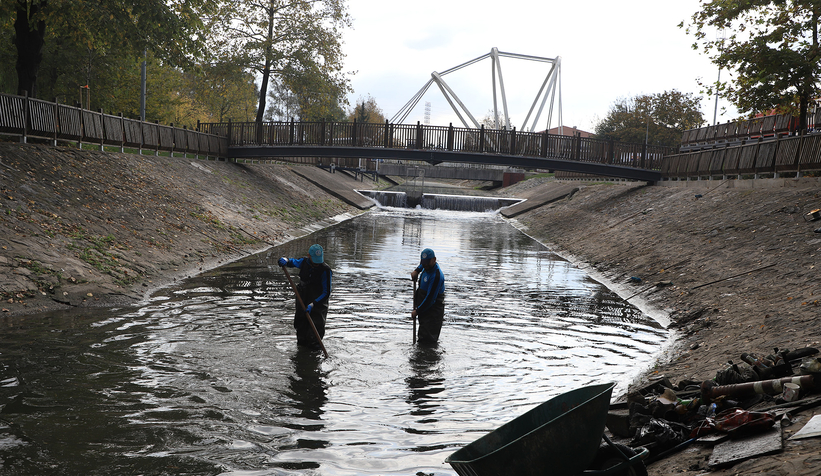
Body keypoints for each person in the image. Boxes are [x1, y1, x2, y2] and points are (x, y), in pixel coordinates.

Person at [278, 244, 332, 349]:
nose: (316, 264)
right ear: (309, 256)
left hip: (318, 303)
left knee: (315, 335)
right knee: (301, 331)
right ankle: (301, 352)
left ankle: (315, 354)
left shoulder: (325, 270)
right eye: (314, 261)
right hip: (302, 298)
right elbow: (292, 262)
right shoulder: (303, 262)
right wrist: (285, 260)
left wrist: (313, 304)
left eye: (318, 262)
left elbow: (326, 292)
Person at [410, 248, 445, 345]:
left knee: (427, 340)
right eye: (423, 263)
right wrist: (417, 270)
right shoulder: (426, 265)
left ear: (434, 260)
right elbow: (423, 265)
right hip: (423, 306)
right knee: (422, 333)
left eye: (427, 263)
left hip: (433, 310)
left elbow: (430, 299)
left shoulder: (436, 276)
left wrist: (417, 311)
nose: (425, 266)